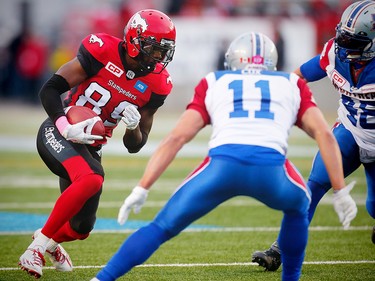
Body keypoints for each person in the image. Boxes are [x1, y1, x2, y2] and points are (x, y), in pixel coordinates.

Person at [91, 32, 357, 281]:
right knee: (299, 206)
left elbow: (177, 138)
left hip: (221, 169)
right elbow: (324, 135)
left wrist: (142, 186)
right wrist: (340, 190)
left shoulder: (215, 81)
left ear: (232, 60)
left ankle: (102, 278)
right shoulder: (292, 84)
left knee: (161, 227)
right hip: (272, 172)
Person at [18, 9, 176, 279]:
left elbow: (135, 145)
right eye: (155, 49)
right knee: (93, 178)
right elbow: (50, 89)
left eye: (164, 51)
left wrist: (134, 126)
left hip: (91, 145)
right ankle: (37, 247)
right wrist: (65, 126)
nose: (160, 58)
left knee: (81, 228)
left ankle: (52, 243)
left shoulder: (157, 84)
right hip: (62, 131)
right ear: (135, 41)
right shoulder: (102, 50)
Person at [251, 0, 375, 272]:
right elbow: (298, 77)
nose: (344, 45)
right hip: (350, 132)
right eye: (343, 36)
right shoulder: (334, 52)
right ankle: (280, 249)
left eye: (353, 41)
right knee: (313, 186)